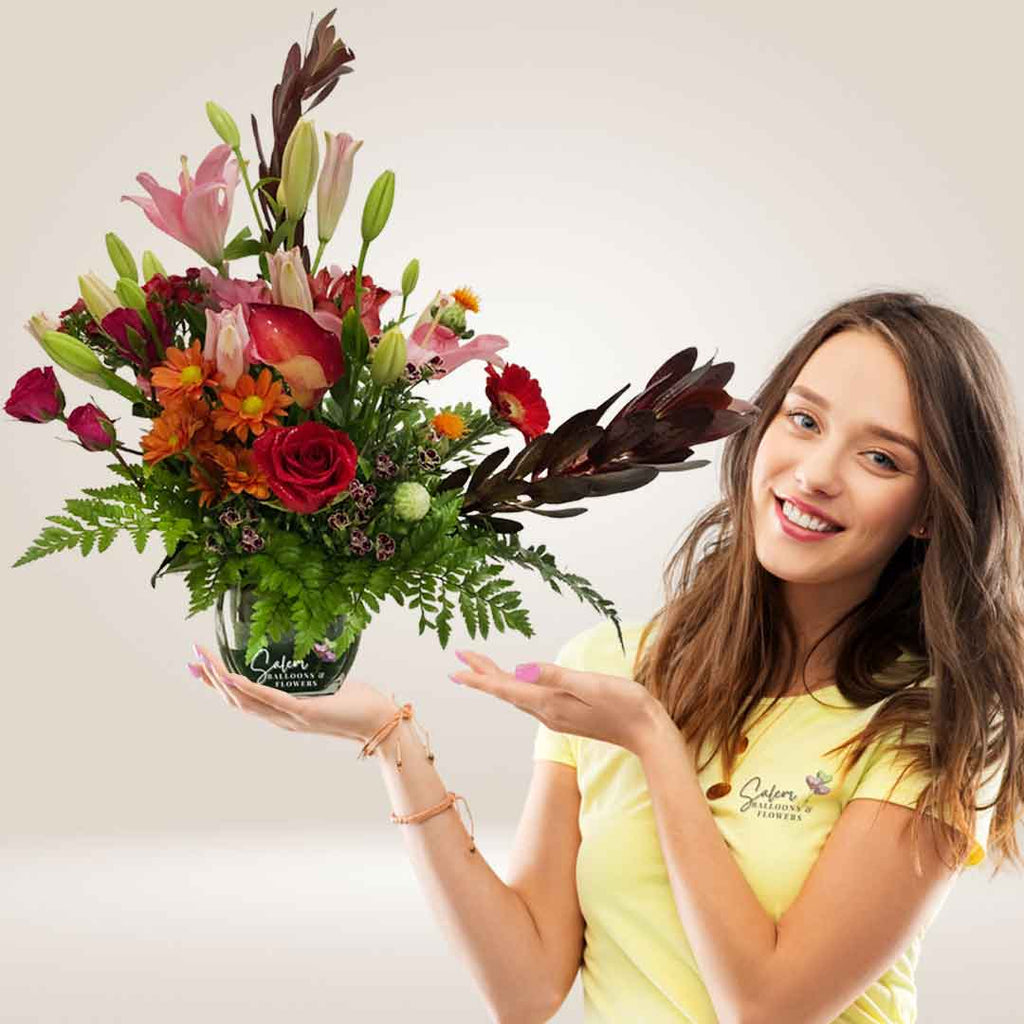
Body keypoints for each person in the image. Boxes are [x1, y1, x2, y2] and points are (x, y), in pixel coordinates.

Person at [189, 290, 1023, 1023]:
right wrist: (390, 741)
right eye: (803, 421)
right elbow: (526, 988)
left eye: (880, 458)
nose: (815, 474)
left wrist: (656, 745)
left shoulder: (933, 725)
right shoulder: (613, 665)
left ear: (928, 510)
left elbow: (769, 1008)